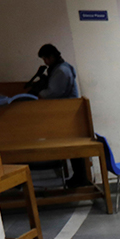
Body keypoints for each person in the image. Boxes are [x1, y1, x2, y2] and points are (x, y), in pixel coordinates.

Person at [24, 44, 88, 189]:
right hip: (66, 112)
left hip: (67, 112)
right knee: (73, 148)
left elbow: (54, 92)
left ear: (52, 56)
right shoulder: (61, 67)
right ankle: (79, 177)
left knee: (74, 148)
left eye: (46, 58)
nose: (45, 62)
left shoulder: (61, 70)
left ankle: (81, 177)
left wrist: (39, 93)